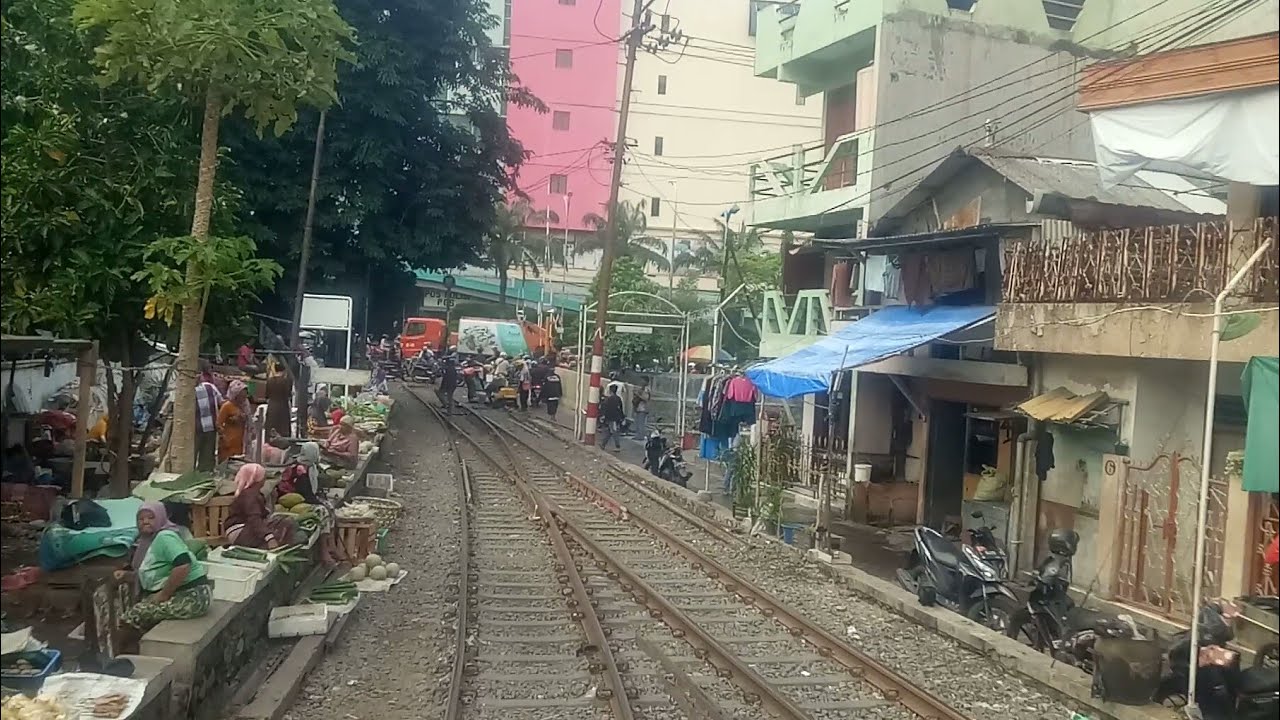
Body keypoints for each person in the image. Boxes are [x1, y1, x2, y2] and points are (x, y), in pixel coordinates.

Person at [115, 502, 211, 647]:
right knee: (135, 603)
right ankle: (134, 646)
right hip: (179, 592)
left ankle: (120, 654)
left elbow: (183, 565)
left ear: (160, 518)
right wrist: (126, 575)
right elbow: (151, 573)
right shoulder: (145, 542)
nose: (145, 522)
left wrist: (164, 595)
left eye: (151, 518)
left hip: (192, 596)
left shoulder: (165, 537)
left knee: (133, 615)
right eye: (141, 519)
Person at [278, 442, 347, 566]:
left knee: (330, 507)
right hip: (297, 501)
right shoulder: (300, 470)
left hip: (307, 498)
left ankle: (331, 545)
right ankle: (324, 552)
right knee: (323, 511)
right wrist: (320, 502)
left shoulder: (311, 466)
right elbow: (305, 495)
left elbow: (315, 488)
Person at [224, 463, 296, 550]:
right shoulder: (249, 495)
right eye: (264, 476)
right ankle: (270, 549)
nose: (265, 479)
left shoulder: (253, 494)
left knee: (278, 521)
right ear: (257, 479)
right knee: (285, 523)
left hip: (244, 529)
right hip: (240, 533)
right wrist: (269, 537)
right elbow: (254, 520)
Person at [216, 380, 251, 462]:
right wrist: (223, 438)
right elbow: (218, 424)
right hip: (228, 442)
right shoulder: (227, 406)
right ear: (236, 395)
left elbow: (249, 421)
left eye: (245, 395)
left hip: (240, 442)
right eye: (242, 395)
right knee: (227, 463)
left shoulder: (245, 406)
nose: (244, 397)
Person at [194, 375, 223, 471]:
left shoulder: (210, 387)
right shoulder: (185, 391)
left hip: (209, 428)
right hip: (194, 430)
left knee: (206, 457)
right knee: (192, 457)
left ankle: (203, 477)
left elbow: (221, 403)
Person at [263, 359, 292, 440]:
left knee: (271, 426)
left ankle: (270, 441)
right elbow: (288, 395)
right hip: (283, 406)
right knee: (283, 428)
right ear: (284, 371)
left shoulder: (269, 381)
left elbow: (267, 396)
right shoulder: (287, 381)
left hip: (272, 406)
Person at [599, 385, 625, 451]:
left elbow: (606, 409)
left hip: (612, 418)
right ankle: (603, 444)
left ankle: (617, 446)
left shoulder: (608, 399)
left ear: (610, 391)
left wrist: (604, 417)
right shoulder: (618, 399)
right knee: (610, 431)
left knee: (614, 432)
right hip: (616, 418)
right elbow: (620, 409)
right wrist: (622, 417)